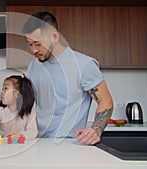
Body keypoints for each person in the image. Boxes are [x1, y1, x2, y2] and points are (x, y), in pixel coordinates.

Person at [22, 11, 113, 145]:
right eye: (30, 44)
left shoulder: (84, 65)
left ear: (55, 37)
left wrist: (96, 130)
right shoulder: (33, 66)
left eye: (38, 44)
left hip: (70, 144)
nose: (34, 50)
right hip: (37, 142)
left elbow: (105, 101)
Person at [0, 75, 38, 140]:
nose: (2, 92)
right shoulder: (1, 111)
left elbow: (33, 131)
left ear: (17, 94)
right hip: (4, 146)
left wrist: (20, 136)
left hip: (22, 146)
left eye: (5, 88)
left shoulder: (29, 113)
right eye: (2, 88)